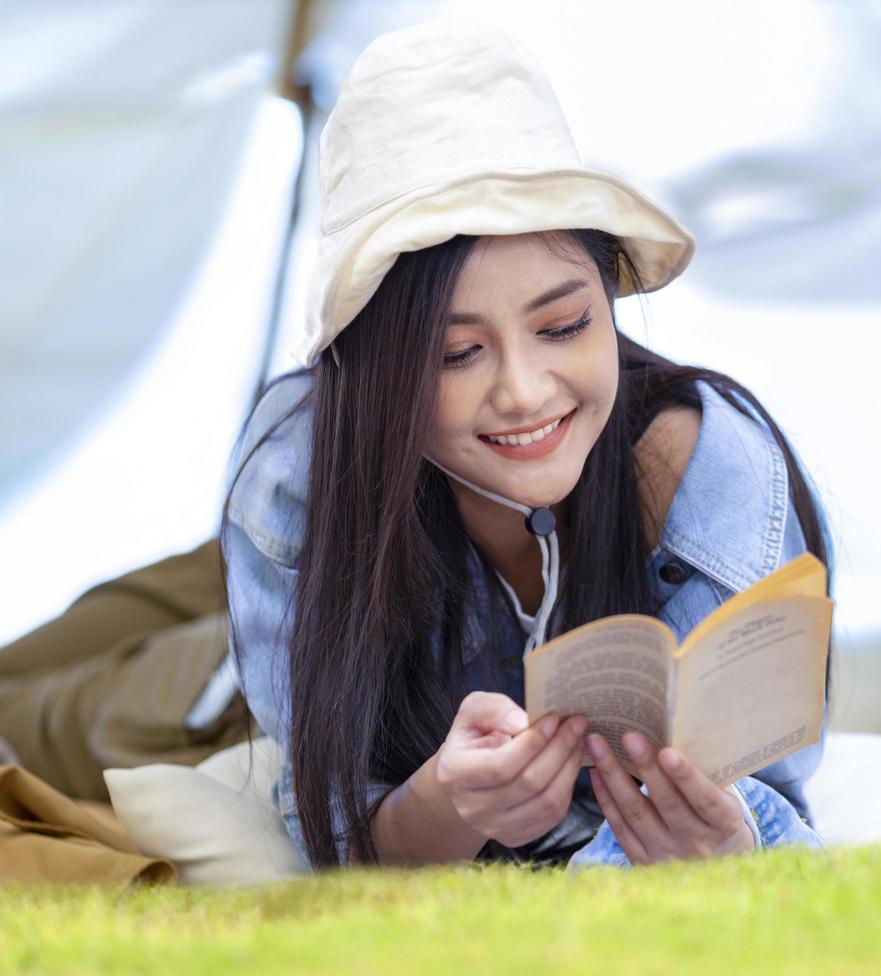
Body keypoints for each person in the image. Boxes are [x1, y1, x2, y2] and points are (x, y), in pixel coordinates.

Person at [0, 20, 836, 872]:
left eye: (564, 325)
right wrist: (442, 801)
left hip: (289, 586)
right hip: (239, 647)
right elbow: (333, 824)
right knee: (31, 709)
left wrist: (727, 846)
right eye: (455, 352)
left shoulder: (704, 468)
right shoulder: (296, 477)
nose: (523, 389)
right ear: (373, 368)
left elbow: (768, 806)